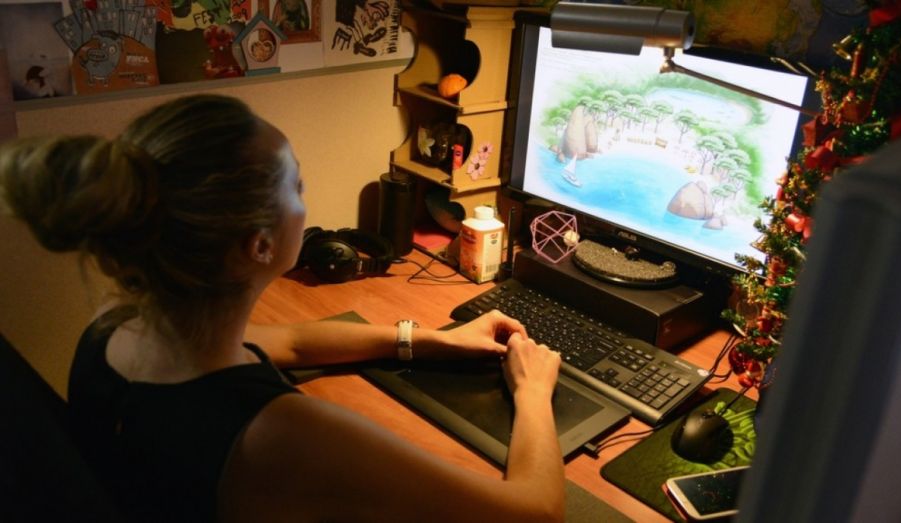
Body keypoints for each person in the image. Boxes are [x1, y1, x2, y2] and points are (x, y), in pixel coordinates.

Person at [0, 94, 564, 522]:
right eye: (296, 184)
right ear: (260, 245)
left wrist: (429, 339)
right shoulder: (283, 432)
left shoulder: (113, 332)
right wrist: (533, 391)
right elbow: (533, 513)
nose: (306, 199)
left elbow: (290, 341)